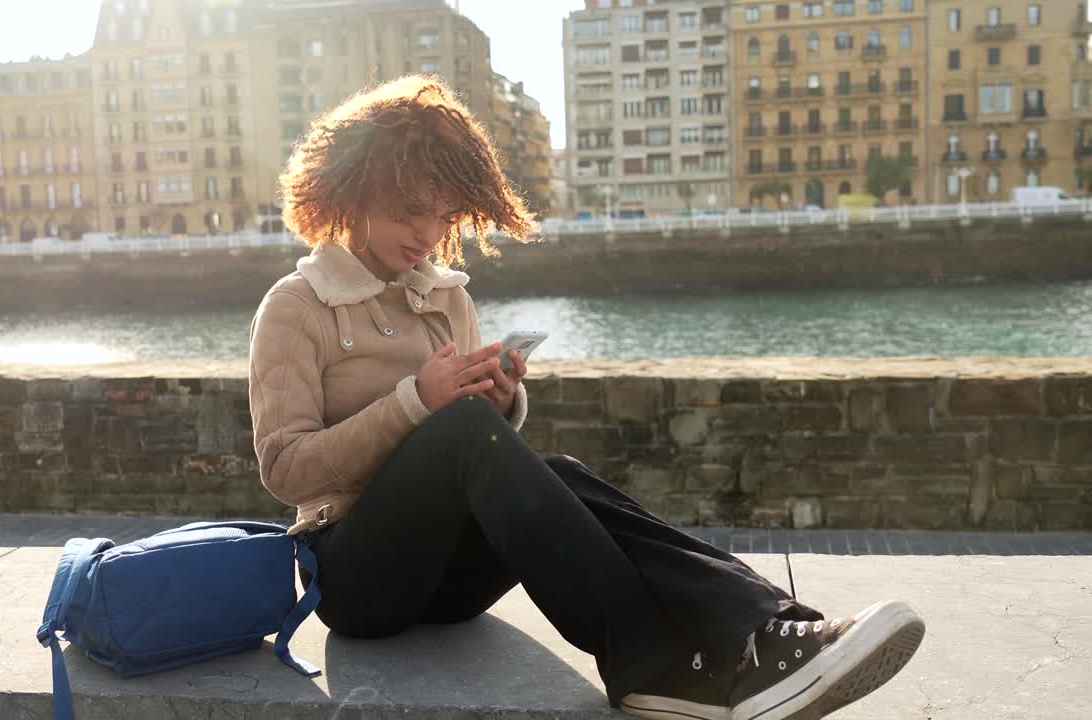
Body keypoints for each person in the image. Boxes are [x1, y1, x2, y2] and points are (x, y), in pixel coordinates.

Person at [248, 75, 925, 720]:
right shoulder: (298, 305)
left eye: (444, 215)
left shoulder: (446, 298)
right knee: (463, 432)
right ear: (352, 187)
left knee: (560, 471)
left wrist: (497, 399)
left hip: (449, 583)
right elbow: (284, 470)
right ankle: (653, 666)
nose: (428, 234)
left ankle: (762, 627)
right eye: (409, 211)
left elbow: (472, 460)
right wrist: (416, 403)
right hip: (355, 582)